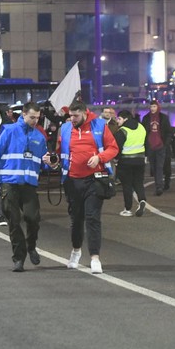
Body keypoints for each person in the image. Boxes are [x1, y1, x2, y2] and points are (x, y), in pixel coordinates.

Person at [0, 103, 53, 272]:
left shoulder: (39, 137)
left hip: (29, 185)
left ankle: (31, 246)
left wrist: (51, 163)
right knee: (14, 222)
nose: (35, 121)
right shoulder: (9, 131)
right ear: (23, 114)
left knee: (33, 218)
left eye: (38, 118)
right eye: (32, 117)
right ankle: (19, 258)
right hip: (9, 183)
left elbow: (43, 163)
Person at [57, 100, 119, 274]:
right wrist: (52, 162)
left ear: (84, 113)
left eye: (76, 116)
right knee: (76, 219)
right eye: (70, 116)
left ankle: (95, 258)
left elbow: (113, 148)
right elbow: (60, 152)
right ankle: (76, 251)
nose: (72, 119)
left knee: (92, 218)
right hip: (72, 181)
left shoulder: (98, 125)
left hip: (94, 180)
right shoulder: (66, 128)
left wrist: (100, 158)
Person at [113, 109, 147, 217]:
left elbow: (117, 148)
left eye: (119, 119)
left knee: (127, 185)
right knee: (138, 182)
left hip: (125, 161)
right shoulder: (141, 127)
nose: (118, 121)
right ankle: (142, 200)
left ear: (125, 119)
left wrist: (116, 159)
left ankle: (127, 209)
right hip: (140, 160)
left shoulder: (122, 131)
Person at [141, 100, 172, 196]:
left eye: (154, 106)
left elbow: (168, 132)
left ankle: (159, 186)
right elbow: (143, 132)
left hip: (160, 146)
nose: (152, 108)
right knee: (153, 167)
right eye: (151, 106)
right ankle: (158, 184)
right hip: (150, 146)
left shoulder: (163, 118)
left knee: (159, 166)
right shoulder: (146, 118)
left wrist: (165, 143)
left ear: (157, 107)